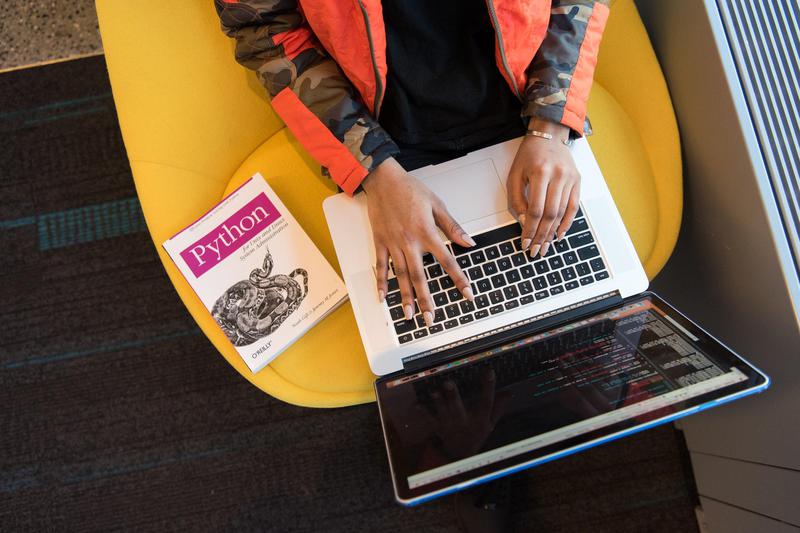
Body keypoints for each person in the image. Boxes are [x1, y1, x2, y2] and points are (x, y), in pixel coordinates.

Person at [215, 0, 609, 529]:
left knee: (593, 310)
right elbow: (265, 29)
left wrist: (551, 125)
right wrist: (374, 169)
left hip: (525, 107)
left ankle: (487, 449)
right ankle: (478, 460)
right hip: (384, 134)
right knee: (432, 336)